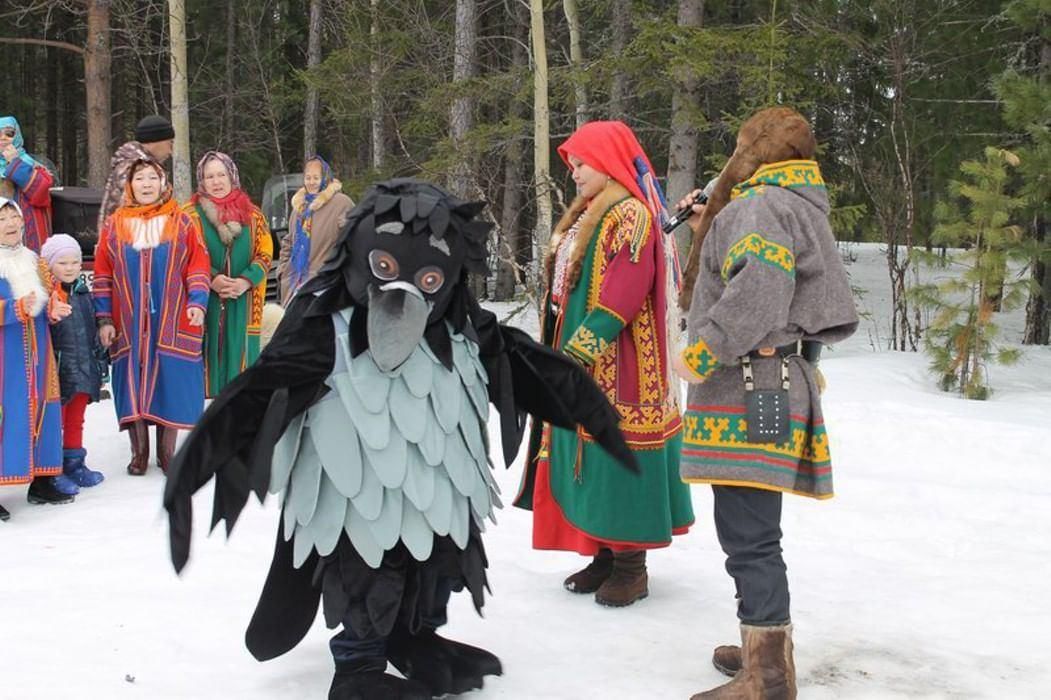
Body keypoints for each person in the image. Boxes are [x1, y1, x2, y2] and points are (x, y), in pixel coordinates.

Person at [163, 179, 637, 700]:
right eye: (385, 269)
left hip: (439, 488)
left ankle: (415, 638)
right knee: (366, 563)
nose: (404, 293)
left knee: (437, 558)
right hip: (356, 495)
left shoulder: (464, 328)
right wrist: (197, 465)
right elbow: (257, 392)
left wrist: (592, 414)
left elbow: (525, 364)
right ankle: (359, 668)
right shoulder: (328, 330)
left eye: (430, 276)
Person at [674, 107, 859, 699]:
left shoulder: (758, 206)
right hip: (776, 378)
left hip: (748, 386)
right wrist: (714, 224)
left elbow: (758, 291)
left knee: (748, 531)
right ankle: (765, 647)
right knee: (754, 526)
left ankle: (769, 675)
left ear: (752, 150)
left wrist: (700, 352)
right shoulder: (794, 203)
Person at [514, 121, 695, 607]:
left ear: (609, 162)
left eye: (582, 162)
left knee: (617, 456)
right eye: (571, 163)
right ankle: (604, 554)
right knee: (587, 456)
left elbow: (623, 296)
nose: (573, 171)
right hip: (585, 359)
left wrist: (576, 355)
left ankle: (632, 566)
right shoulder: (593, 212)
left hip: (621, 363)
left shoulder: (630, 215)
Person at [93, 160, 209, 476]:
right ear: (130, 185)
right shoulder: (114, 225)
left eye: (152, 177)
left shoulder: (182, 222)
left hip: (171, 318)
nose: (146, 184)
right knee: (132, 378)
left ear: (162, 182)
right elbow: (102, 273)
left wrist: (198, 302)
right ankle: (139, 451)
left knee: (169, 378)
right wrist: (104, 318)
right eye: (139, 178)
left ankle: (166, 452)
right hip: (128, 320)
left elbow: (198, 265)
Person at [0, 198, 77, 521]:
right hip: (6, 355)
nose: (10, 223)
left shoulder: (35, 260)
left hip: (39, 349)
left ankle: (43, 480)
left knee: (45, 406)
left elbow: (50, 293)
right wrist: (15, 310)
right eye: (2, 218)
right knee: (8, 413)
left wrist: (53, 307)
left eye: (13, 215)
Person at [185, 151, 273, 396]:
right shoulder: (190, 216)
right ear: (201, 180)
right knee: (206, 365)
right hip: (205, 301)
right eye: (209, 176)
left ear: (232, 176)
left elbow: (265, 253)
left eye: (221, 174)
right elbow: (183, 254)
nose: (216, 181)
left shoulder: (253, 216)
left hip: (243, 301)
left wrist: (246, 280)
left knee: (241, 372)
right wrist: (211, 279)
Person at [40, 234, 108, 488]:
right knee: (55, 420)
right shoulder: (49, 297)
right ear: (49, 265)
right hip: (59, 371)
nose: (69, 268)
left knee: (76, 419)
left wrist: (99, 360)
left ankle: (74, 462)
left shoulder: (83, 294)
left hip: (83, 368)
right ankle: (52, 466)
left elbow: (92, 331)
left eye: (74, 262)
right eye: (62, 263)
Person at [276, 155, 353, 305]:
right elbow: (288, 241)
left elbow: (351, 241)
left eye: (316, 178)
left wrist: (338, 275)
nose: (311, 182)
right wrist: (282, 271)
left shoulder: (341, 203)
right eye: (308, 177)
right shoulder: (299, 207)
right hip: (294, 284)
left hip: (324, 284)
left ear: (325, 177)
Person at [97, 115, 175, 233]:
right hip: (130, 245)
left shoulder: (134, 165)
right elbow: (138, 216)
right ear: (155, 141)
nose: (171, 150)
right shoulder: (135, 169)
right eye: (169, 143)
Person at [0, 116, 53, 251]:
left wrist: (15, 163)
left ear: (17, 136)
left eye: (9, 133)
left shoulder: (32, 165)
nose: (3, 138)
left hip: (29, 244)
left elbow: (41, 196)